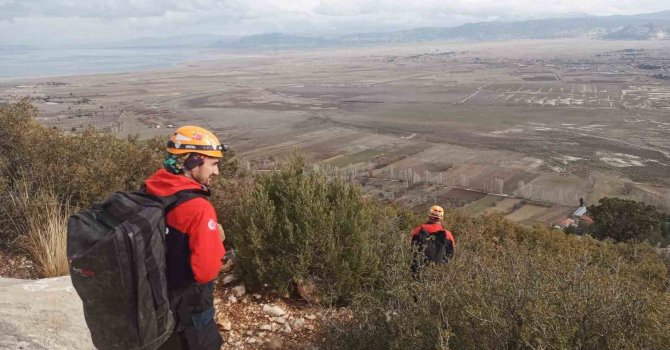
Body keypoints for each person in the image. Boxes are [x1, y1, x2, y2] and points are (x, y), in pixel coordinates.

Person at [145, 125, 228, 350]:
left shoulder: (152, 187)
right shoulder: (198, 209)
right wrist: (215, 243)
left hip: (152, 299)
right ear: (193, 162)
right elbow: (206, 271)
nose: (216, 172)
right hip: (187, 307)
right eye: (213, 164)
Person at [411, 205, 455, 272]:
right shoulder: (447, 234)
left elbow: (412, 249)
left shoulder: (418, 230)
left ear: (429, 216)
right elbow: (451, 254)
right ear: (441, 218)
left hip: (419, 270)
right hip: (439, 272)